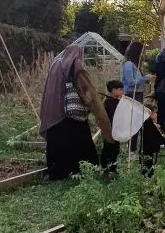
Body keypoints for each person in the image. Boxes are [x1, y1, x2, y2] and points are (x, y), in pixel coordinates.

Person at [39, 45, 113, 180]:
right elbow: (88, 93)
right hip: (70, 116)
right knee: (81, 142)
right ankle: (86, 169)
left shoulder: (56, 65)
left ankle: (57, 172)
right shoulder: (75, 66)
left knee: (57, 146)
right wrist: (102, 118)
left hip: (53, 114)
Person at [121, 41, 152, 153]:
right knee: (133, 123)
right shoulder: (129, 65)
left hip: (137, 95)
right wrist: (144, 78)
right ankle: (131, 150)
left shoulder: (134, 65)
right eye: (141, 52)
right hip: (131, 95)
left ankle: (132, 148)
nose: (142, 55)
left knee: (136, 122)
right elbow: (130, 82)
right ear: (136, 52)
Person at [100, 80, 123, 169]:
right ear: (113, 90)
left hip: (116, 130)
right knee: (108, 148)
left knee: (115, 149)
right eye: (120, 89)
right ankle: (105, 167)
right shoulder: (108, 102)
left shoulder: (117, 101)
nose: (122, 92)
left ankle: (113, 168)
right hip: (109, 130)